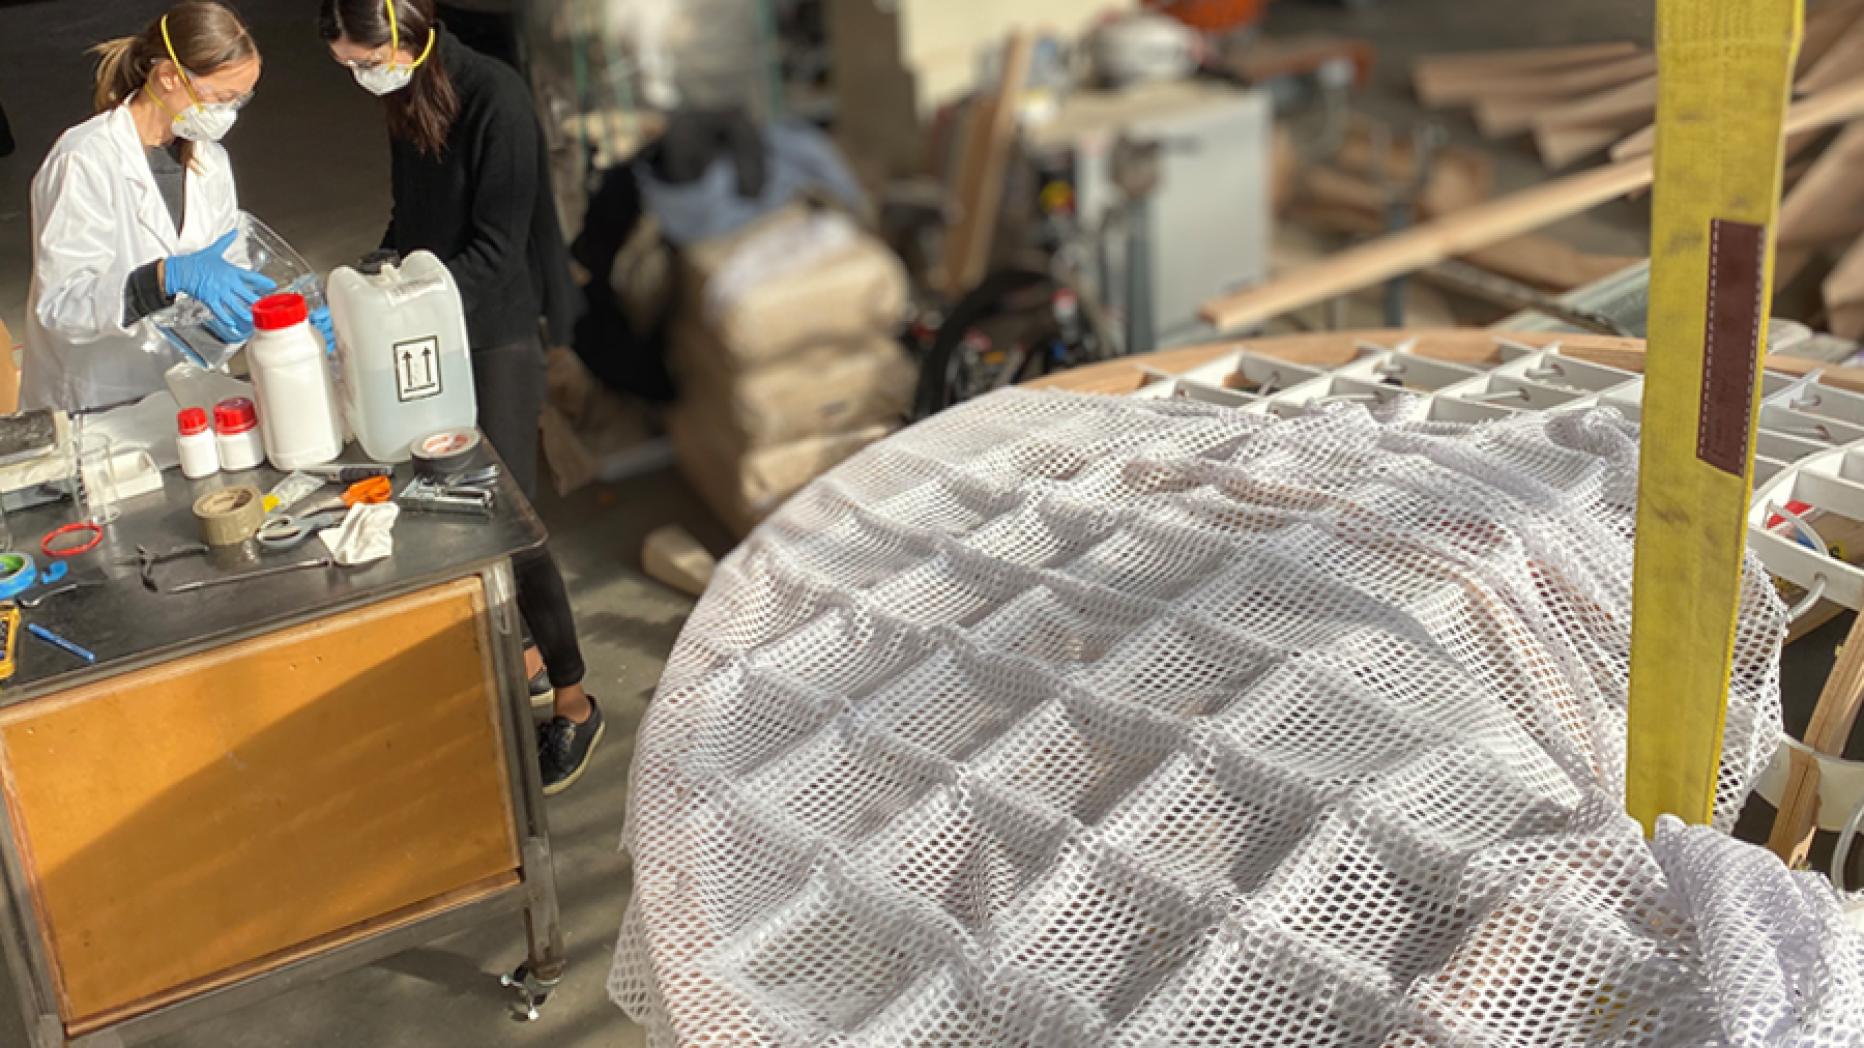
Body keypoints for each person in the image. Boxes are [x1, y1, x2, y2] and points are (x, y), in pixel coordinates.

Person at [321, 0, 602, 795]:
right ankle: (519, 657)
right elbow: (413, 215)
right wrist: (380, 269)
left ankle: (575, 702)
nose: (360, 77)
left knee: (515, 523)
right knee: (443, 507)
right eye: (348, 67)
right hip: (427, 334)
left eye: (362, 61)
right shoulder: (405, 96)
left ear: (402, 39)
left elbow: (496, 247)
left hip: (493, 332)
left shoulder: (496, 97)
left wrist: (408, 303)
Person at [22, 2, 330, 413]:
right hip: (96, 400)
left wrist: (273, 321)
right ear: (169, 76)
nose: (228, 114)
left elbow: (225, 278)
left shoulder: (211, 162)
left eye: (238, 101)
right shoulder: (85, 159)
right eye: (220, 98)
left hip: (179, 393)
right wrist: (162, 279)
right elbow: (61, 305)